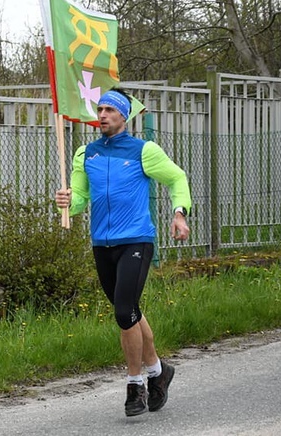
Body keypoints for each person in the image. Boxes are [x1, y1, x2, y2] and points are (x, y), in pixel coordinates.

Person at [54, 87, 191, 417]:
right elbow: (80, 200)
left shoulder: (144, 151)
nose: (102, 115)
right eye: (99, 109)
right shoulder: (85, 154)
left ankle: (135, 385)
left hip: (136, 240)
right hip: (102, 243)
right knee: (128, 311)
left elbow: (177, 178)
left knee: (123, 311)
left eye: (109, 110)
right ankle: (160, 372)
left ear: (123, 116)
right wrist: (66, 203)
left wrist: (179, 212)